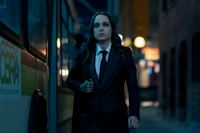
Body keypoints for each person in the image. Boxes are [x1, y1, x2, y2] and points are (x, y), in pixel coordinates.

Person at [66, 12, 140, 133]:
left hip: (116, 120)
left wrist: (134, 113)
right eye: (97, 25)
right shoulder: (85, 52)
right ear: (93, 30)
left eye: (105, 25)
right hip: (89, 120)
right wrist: (81, 86)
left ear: (112, 29)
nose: (101, 28)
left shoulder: (124, 54)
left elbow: (133, 87)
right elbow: (70, 79)